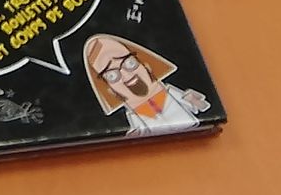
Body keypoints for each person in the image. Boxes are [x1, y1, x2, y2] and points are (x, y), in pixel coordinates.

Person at [83, 35, 211, 134]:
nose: (127, 76)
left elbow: (202, 107)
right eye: (112, 75)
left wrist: (194, 101)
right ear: (109, 90)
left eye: (130, 63)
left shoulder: (172, 94)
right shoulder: (135, 120)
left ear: (147, 66)